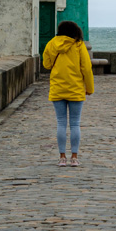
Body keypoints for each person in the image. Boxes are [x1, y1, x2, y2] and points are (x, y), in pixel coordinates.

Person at [42, 20, 95, 167]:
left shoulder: (52, 43)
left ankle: (62, 157)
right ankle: (74, 157)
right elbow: (86, 68)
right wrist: (89, 88)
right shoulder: (78, 45)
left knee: (60, 123)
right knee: (75, 124)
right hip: (75, 89)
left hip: (58, 88)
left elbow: (46, 64)